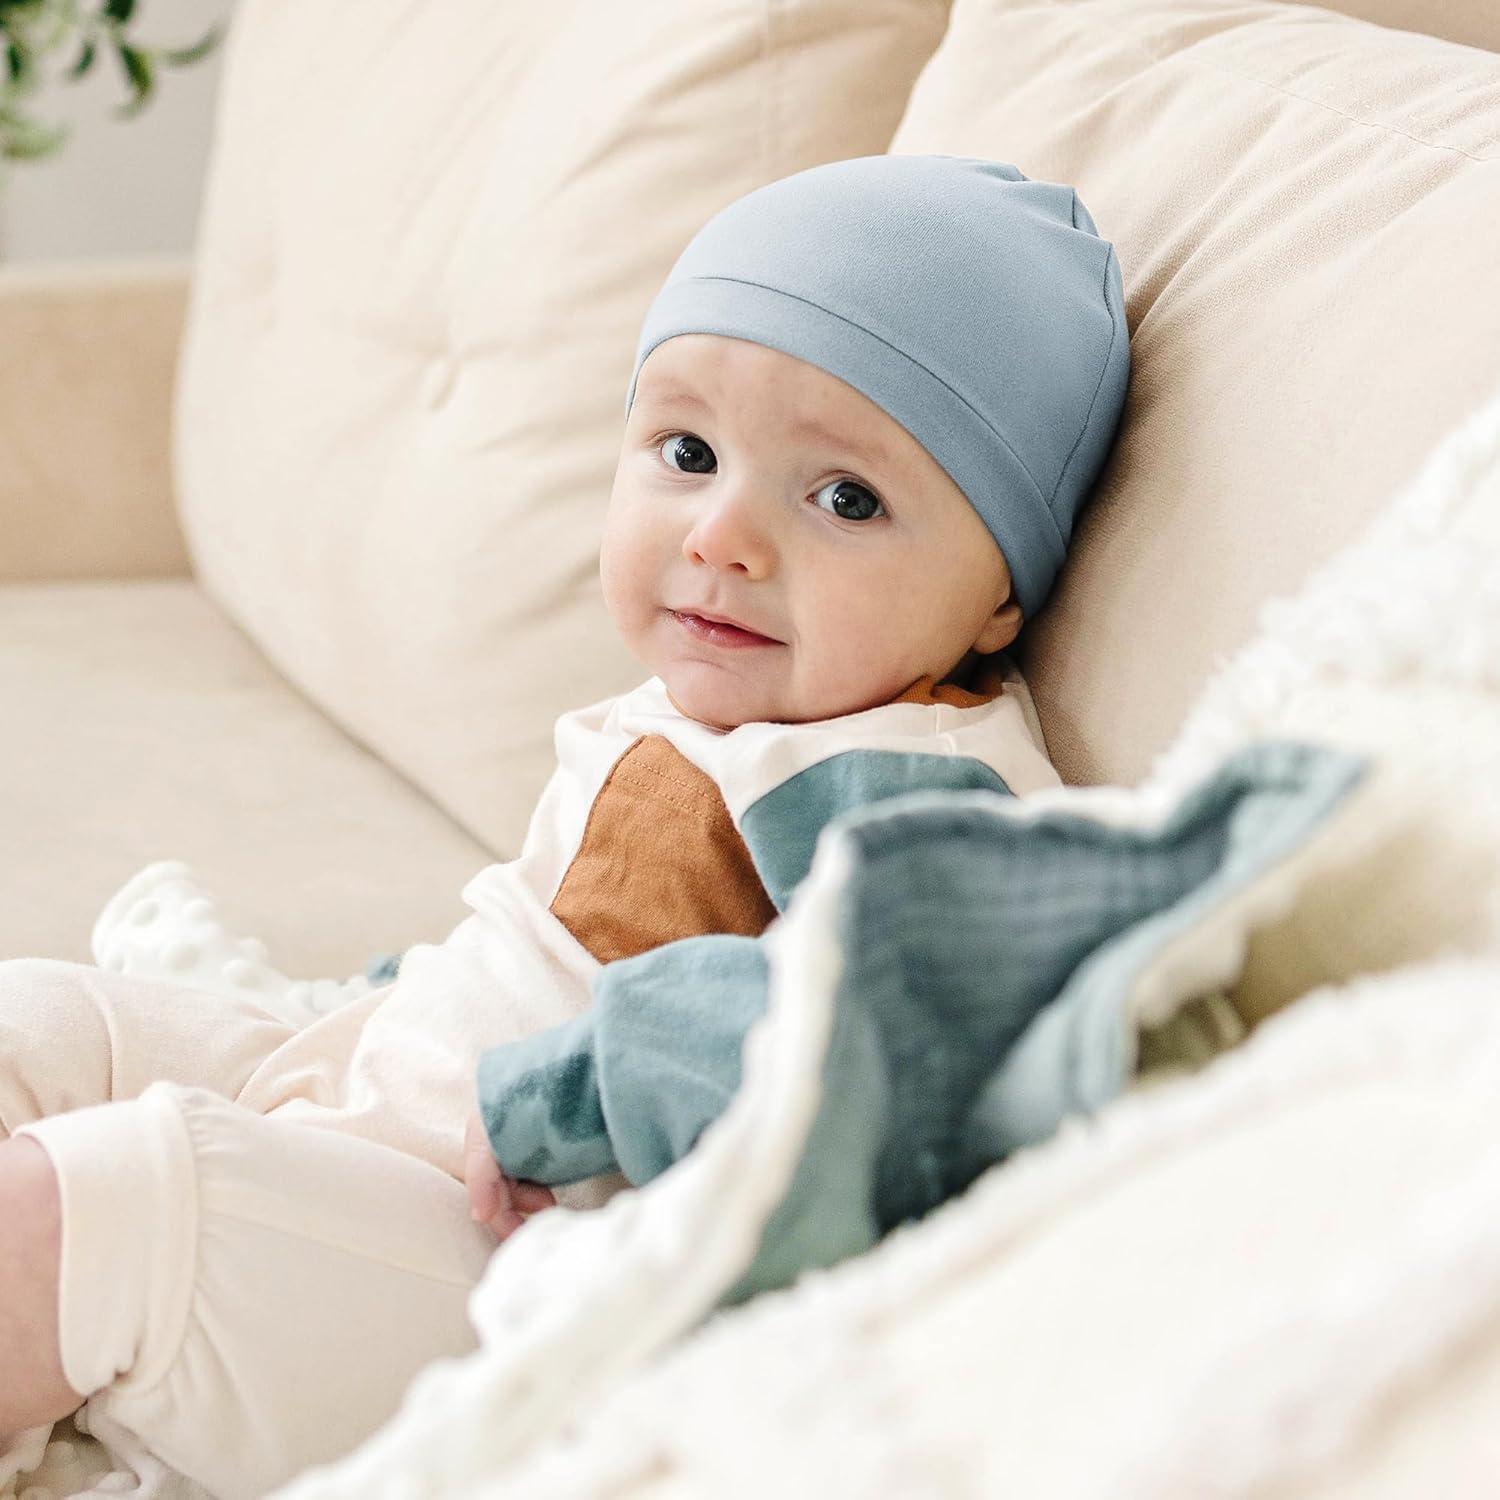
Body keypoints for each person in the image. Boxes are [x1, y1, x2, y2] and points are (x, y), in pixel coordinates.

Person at [0, 154, 1129, 1499]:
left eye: (844, 498)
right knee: (42, 1020)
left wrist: (583, 1081)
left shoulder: (920, 784)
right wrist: (396, 1009)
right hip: (386, 1091)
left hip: (498, 1265)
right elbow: (556, 919)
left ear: (1003, 595)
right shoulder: (727, 700)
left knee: (115, 1203)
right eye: (688, 453)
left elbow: (891, 1037)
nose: (723, 536)